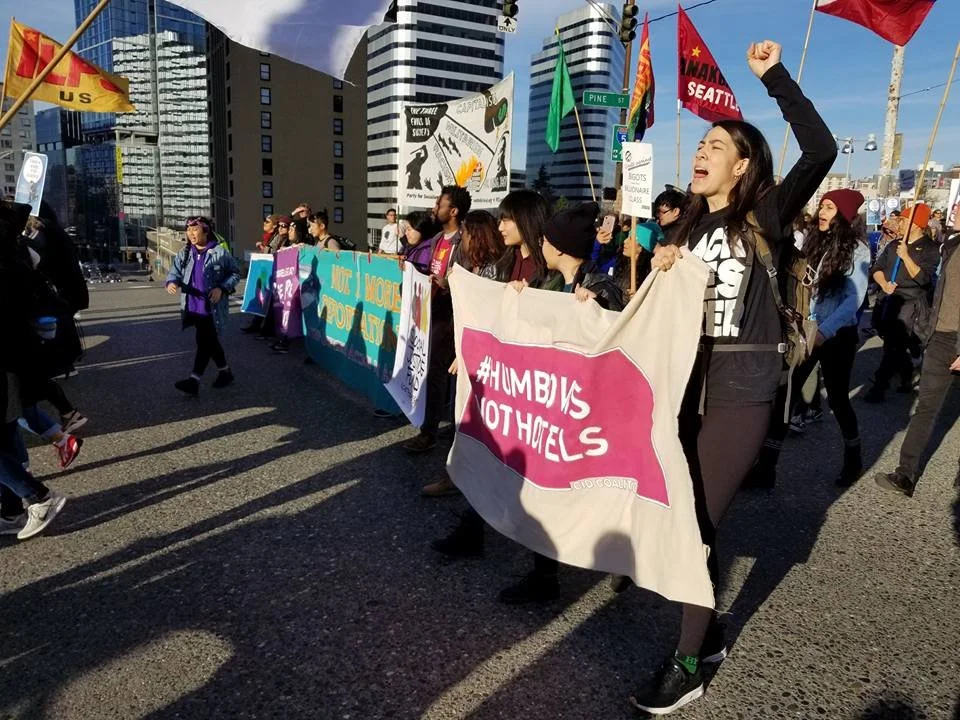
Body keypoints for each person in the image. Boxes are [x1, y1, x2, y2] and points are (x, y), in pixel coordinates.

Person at [628, 41, 837, 715]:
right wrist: (644, 276)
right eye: (701, 144)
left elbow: (822, 150)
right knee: (685, 519)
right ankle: (711, 636)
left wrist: (773, 77)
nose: (702, 151)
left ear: (743, 166)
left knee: (693, 527)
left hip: (742, 391)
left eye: (717, 145)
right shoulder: (687, 226)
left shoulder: (763, 217)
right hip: (688, 388)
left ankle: (688, 664)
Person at [749, 189, 870, 489]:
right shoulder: (813, 242)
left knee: (838, 400)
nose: (822, 212)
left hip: (836, 336)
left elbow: (852, 300)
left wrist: (825, 332)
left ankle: (853, 461)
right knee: (786, 394)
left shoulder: (857, 250)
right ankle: (766, 469)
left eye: (829, 207)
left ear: (844, 215)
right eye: (822, 206)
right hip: (806, 330)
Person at [875, 207, 960, 496]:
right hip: (940, 337)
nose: (955, 208)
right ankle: (905, 475)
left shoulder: (934, 247)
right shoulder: (951, 245)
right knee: (925, 408)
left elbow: (923, 280)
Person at [402, 186, 471, 454]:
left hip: (453, 315)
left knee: (443, 374)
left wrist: (448, 285)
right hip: (433, 312)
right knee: (436, 372)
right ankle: (436, 429)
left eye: (439, 204)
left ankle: (437, 433)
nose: (434, 208)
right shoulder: (437, 240)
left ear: (453, 211)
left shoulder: (465, 240)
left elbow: (471, 279)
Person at [864, 204, 940, 403]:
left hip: (910, 303)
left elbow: (923, 278)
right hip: (887, 299)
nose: (900, 223)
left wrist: (906, 256)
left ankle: (879, 386)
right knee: (892, 342)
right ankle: (907, 374)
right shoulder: (893, 245)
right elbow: (877, 268)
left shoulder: (930, 248)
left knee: (893, 344)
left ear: (916, 224)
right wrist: (883, 283)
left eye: (904, 220)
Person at [165, 217, 241, 396]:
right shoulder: (184, 253)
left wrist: (221, 288)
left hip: (211, 308)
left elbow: (235, 273)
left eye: (195, 229)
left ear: (205, 231)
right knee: (209, 341)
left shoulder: (219, 253)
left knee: (204, 342)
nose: (191, 233)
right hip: (192, 305)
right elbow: (175, 272)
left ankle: (194, 380)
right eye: (188, 230)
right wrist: (171, 282)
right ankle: (225, 372)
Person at [497, 188, 551, 286]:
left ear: (526, 220)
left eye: (505, 220)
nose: (500, 228)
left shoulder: (549, 266)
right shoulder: (504, 262)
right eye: (500, 221)